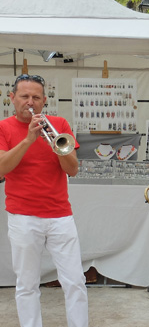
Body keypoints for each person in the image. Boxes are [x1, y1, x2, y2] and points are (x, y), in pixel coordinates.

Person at [0, 74, 88, 326]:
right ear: (12, 98)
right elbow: (1, 168)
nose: (30, 102)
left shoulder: (58, 124)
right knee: (27, 284)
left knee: (75, 281)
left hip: (60, 216)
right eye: (24, 96)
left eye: (36, 97)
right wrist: (28, 140)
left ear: (44, 100)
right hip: (23, 217)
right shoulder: (3, 127)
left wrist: (55, 144)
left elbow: (72, 170)